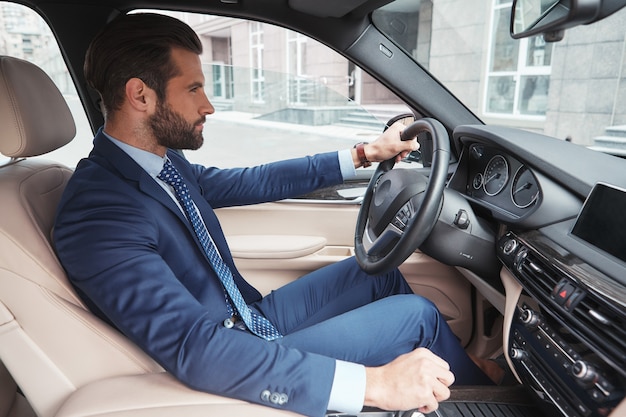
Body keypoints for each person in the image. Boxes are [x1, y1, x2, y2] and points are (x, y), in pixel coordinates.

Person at [53, 13, 495, 417]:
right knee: (416, 315)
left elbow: (251, 181)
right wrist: (374, 384)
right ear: (140, 95)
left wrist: (365, 154)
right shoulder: (98, 212)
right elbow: (194, 349)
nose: (208, 105)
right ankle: (483, 400)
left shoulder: (158, 164)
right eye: (193, 89)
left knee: (377, 271)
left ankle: (466, 376)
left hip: (247, 315)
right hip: (231, 349)